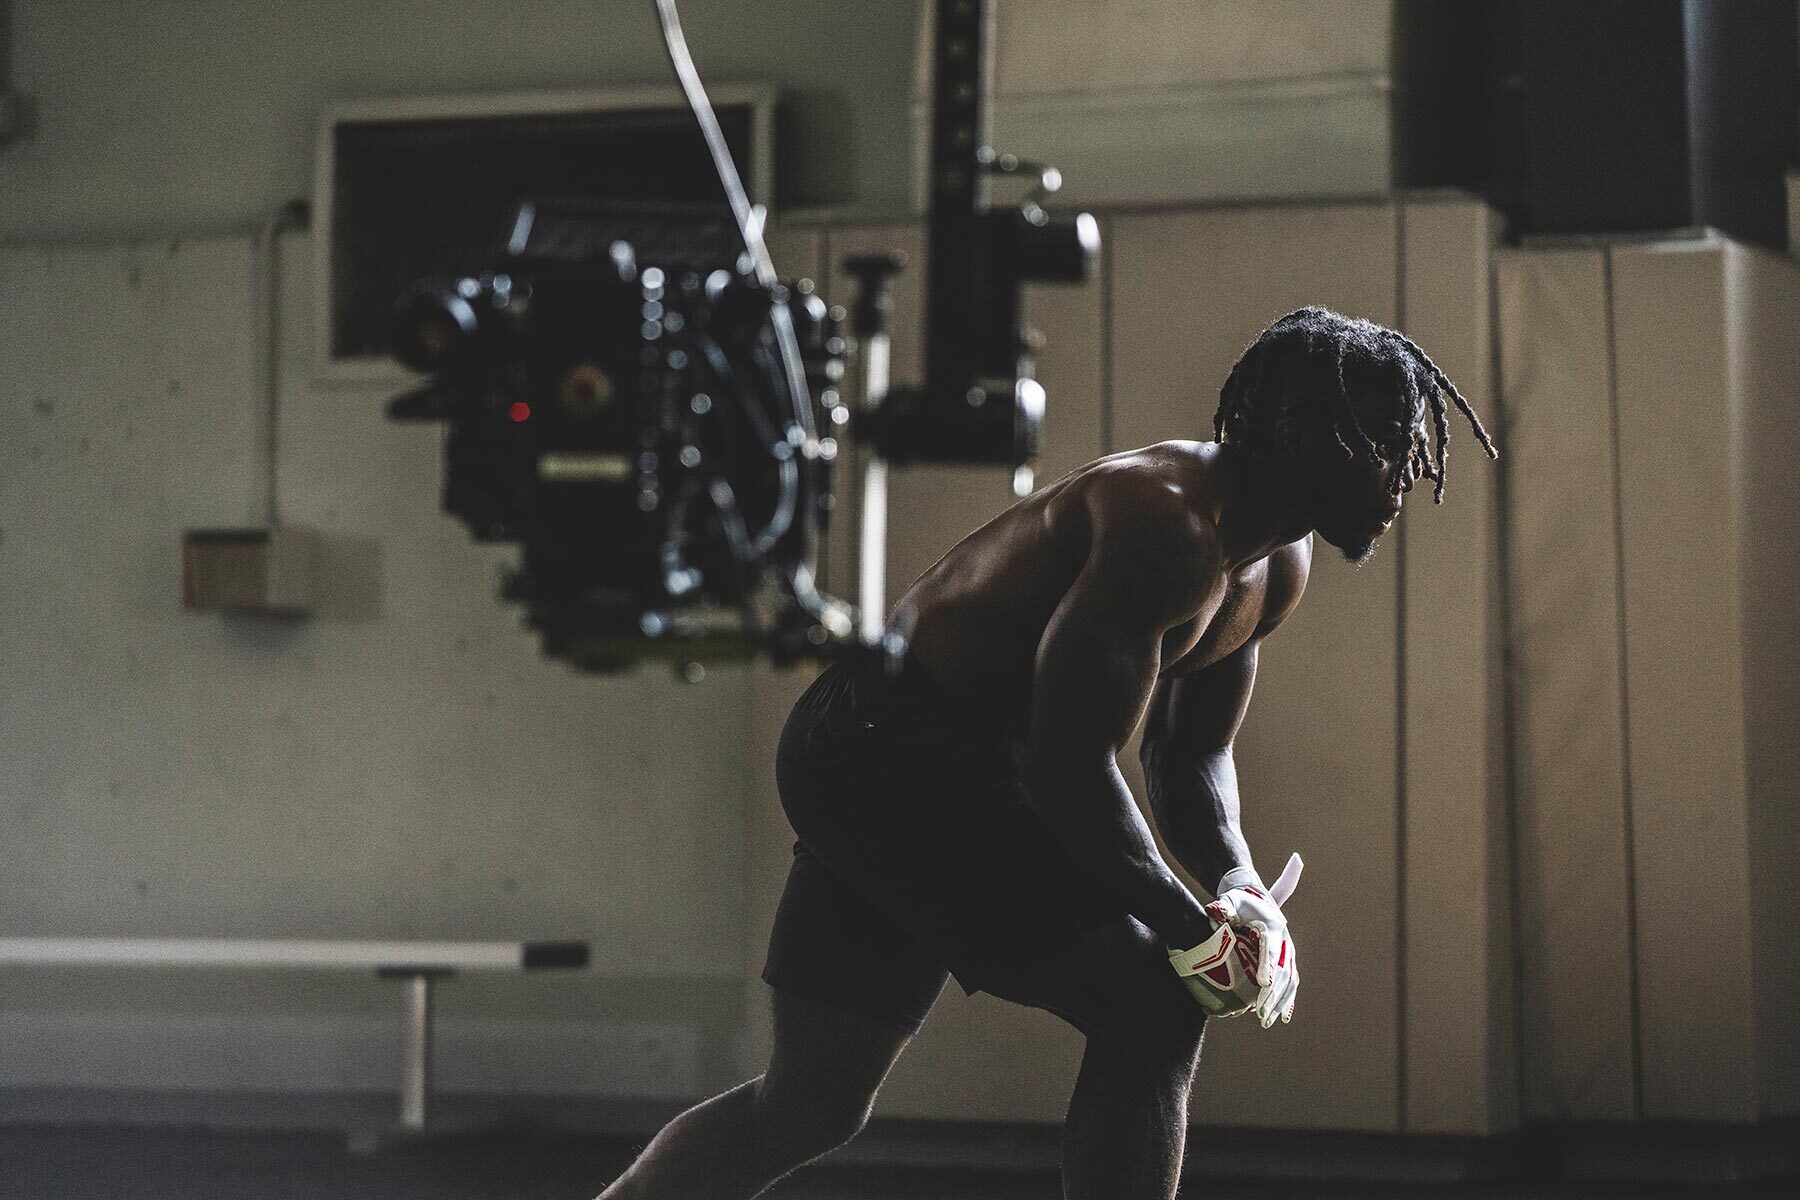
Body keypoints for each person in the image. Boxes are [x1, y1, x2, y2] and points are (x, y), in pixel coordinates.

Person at [597, 307, 1496, 1200]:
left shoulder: (1275, 564)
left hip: (937, 765)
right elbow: (1068, 772)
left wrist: (1241, 891)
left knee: (810, 1106)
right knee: (1155, 1008)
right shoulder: (1168, 522)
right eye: (1378, 438)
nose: (1400, 471)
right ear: (1297, 428)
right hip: (888, 755)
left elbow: (1188, 760)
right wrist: (1193, 936)